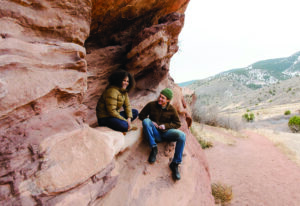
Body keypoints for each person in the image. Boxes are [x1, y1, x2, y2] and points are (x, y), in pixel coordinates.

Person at [139, 88, 186, 180]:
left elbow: (177, 123)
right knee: (146, 121)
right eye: (160, 96)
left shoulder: (172, 109)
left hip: (166, 133)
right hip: (155, 133)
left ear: (168, 100)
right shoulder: (151, 105)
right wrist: (151, 122)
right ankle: (154, 148)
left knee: (182, 136)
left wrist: (166, 126)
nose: (160, 99)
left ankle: (175, 163)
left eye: (163, 98)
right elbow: (141, 115)